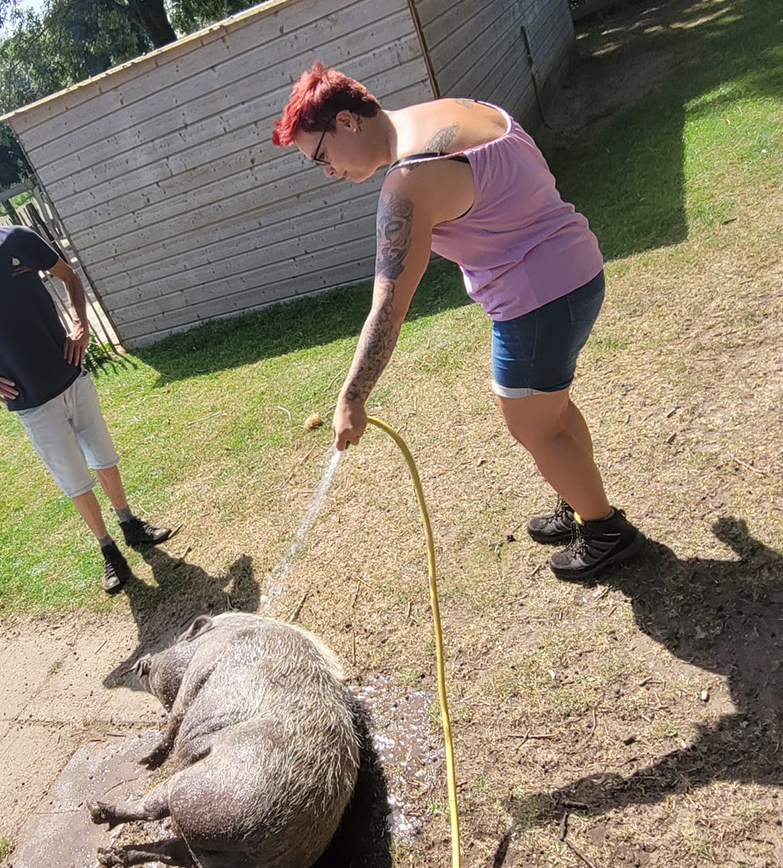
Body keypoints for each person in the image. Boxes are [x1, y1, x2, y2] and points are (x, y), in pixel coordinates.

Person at [273, 62, 643, 580]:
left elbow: (389, 307)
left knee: (533, 425)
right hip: (578, 270)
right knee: (551, 413)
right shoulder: (454, 110)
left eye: (320, 156)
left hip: (537, 300)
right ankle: (580, 501)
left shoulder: (408, 183)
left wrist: (352, 396)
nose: (327, 171)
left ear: (348, 122)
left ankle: (606, 531)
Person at [0, 172, 177, 594]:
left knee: (105, 458)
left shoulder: (21, 240)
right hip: (29, 399)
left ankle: (129, 523)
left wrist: (80, 323)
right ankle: (107, 548)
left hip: (71, 375)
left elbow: (69, 277)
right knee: (75, 479)